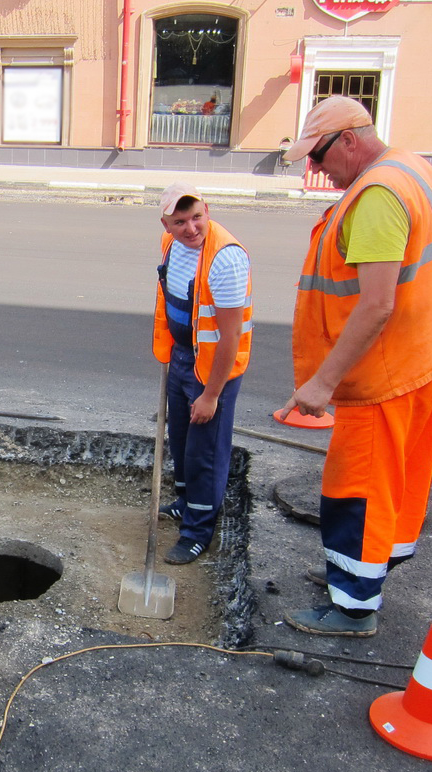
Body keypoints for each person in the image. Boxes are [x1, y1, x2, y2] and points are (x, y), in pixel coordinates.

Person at [277, 95, 432, 637]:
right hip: (424, 357)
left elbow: (376, 303)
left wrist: (323, 381)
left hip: (382, 375)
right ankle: (363, 574)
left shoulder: (376, 196)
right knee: (398, 481)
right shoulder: (414, 167)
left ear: (349, 139)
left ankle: (353, 608)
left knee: (357, 489)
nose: (314, 169)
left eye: (317, 156)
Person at [152, 183, 252, 565]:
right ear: (166, 223)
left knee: (204, 452)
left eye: (197, 217)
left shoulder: (225, 260)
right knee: (179, 439)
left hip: (213, 369)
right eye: (180, 221)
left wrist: (211, 394)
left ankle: (198, 531)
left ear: (207, 210)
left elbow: (230, 336)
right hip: (182, 357)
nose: (191, 228)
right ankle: (185, 502)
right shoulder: (170, 245)